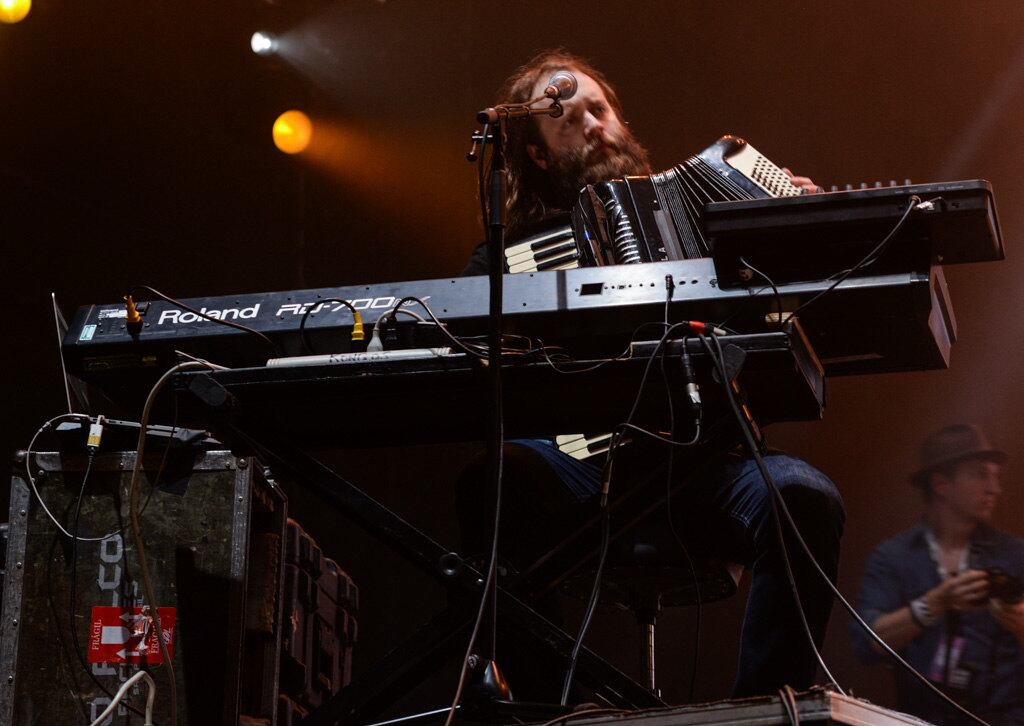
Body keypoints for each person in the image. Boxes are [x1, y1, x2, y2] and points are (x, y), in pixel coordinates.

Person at [456, 50, 844, 702]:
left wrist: (791, 231)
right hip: (585, 471)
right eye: (564, 115)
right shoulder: (517, 252)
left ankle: (763, 709)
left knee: (806, 496)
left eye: (598, 108)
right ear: (540, 154)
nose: (591, 123)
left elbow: (797, 318)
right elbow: (462, 340)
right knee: (491, 481)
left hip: (707, 465)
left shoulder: (711, 208)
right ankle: (553, 711)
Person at [853, 424, 1024, 724]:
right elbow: (867, 645)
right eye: (980, 474)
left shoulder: (1016, 555)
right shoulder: (894, 557)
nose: (994, 488)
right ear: (941, 483)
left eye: (995, 476)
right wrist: (934, 603)